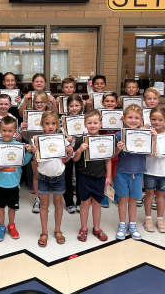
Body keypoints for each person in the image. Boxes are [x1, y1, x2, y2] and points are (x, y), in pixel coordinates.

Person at [0, 116, 34, 241]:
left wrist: (29, 153)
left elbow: (23, 162)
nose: (7, 133)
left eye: (10, 131)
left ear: (15, 132)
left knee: (12, 207)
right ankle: (1, 226)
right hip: (0, 183)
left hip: (14, 183)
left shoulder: (19, 145)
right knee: (0, 206)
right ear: (0, 130)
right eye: (4, 130)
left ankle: (11, 225)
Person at [114, 104, 156, 241]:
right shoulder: (119, 134)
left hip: (138, 172)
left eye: (136, 118)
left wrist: (153, 139)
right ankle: (122, 224)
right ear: (124, 118)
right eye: (130, 117)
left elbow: (150, 155)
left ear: (141, 119)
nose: (133, 120)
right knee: (122, 199)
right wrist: (118, 149)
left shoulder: (145, 134)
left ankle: (132, 224)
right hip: (122, 172)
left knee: (133, 200)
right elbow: (113, 155)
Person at [32, 111, 74, 247]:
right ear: (42, 124)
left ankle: (57, 230)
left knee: (58, 204)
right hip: (43, 177)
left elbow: (65, 160)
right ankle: (44, 232)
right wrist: (33, 151)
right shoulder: (36, 140)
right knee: (44, 205)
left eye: (53, 123)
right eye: (47, 123)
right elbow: (35, 160)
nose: (50, 126)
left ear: (58, 124)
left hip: (59, 177)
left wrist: (70, 153)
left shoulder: (62, 139)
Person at [72, 110, 112, 242]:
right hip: (84, 176)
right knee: (84, 204)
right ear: (85, 124)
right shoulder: (81, 140)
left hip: (100, 177)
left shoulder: (105, 140)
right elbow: (75, 159)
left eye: (95, 123)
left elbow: (108, 159)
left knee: (97, 204)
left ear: (100, 124)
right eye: (89, 123)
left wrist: (109, 176)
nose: (93, 125)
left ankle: (97, 228)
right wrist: (79, 150)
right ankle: (83, 228)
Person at [143, 107, 165, 233]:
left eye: (160, 119)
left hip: (164, 172)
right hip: (149, 171)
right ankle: (148, 218)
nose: (156, 122)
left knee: (161, 196)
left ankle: (160, 219)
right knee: (149, 195)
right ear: (149, 119)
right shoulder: (147, 134)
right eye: (153, 119)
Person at [0, 94, 20, 210]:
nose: (3, 106)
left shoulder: (13, 118)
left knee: (10, 171)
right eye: (1, 103)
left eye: (6, 104)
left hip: (11, 149)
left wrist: (17, 136)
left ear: (10, 105)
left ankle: (14, 196)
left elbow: (16, 137)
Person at [20, 91, 50, 213]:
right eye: (37, 102)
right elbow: (26, 137)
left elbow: (56, 130)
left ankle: (45, 200)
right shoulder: (29, 115)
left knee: (46, 175)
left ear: (46, 103)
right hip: (34, 149)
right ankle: (37, 198)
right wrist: (22, 128)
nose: (39, 104)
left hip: (48, 149)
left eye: (42, 102)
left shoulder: (50, 115)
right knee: (36, 175)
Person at [62, 94, 84, 214]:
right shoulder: (63, 121)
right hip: (68, 149)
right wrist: (66, 138)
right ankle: (69, 202)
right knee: (67, 177)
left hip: (81, 149)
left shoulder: (84, 119)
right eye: (71, 106)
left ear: (81, 106)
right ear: (67, 107)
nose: (74, 108)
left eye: (77, 105)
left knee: (81, 176)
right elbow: (59, 136)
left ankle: (80, 202)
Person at [99, 91, 120, 209]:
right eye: (107, 101)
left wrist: (124, 121)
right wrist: (99, 121)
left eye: (112, 101)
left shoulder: (121, 116)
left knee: (116, 175)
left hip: (117, 151)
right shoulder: (99, 115)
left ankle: (116, 195)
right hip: (104, 151)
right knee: (106, 175)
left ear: (117, 103)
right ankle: (106, 195)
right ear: (102, 103)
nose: (110, 103)